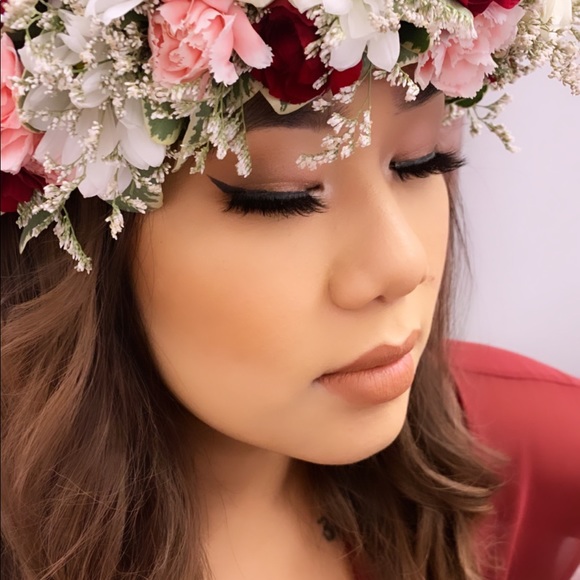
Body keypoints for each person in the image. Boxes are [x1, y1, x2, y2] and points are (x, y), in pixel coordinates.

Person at [1, 1, 579, 579]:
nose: (402, 265)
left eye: (421, 161)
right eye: (283, 196)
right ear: (76, 241)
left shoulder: (527, 456)